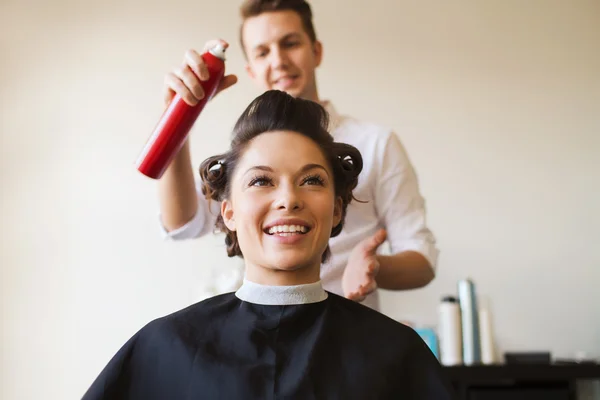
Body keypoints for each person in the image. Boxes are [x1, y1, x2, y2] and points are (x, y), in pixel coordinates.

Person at [84, 90, 453, 399]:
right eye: (262, 181)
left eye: (311, 180)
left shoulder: (394, 354)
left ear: (337, 209)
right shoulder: (166, 348)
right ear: (227, 212)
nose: (288, 199)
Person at [158, 0, 439, 310]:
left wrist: (374, 266)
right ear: (251, 69)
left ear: (316, 51)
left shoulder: (376, 144)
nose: (278, 61)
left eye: (290, 43)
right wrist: (177, 120)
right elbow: (183, 223)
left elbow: (421, 258)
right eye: (262, 52)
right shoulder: (246, 154)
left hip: (346, 333)